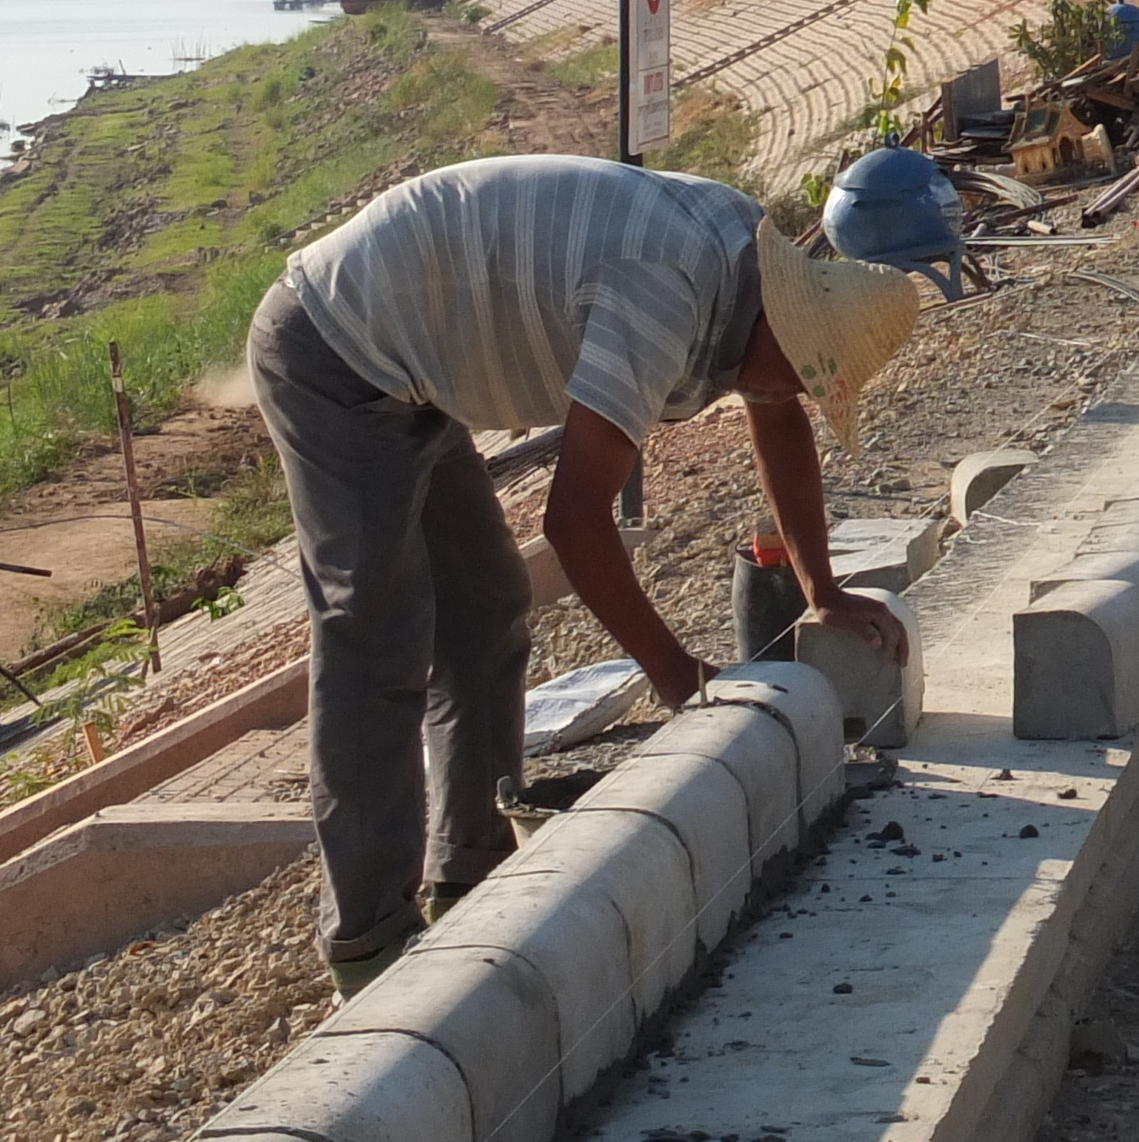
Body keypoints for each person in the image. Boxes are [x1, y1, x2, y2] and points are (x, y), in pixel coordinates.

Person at [246, 158, 924, 990]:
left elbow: (778, 417)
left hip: (416, 354)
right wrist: (679, 678)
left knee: (488, 606)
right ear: (781, 326)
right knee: (376, 632)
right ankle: (369, 941)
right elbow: (572, 523)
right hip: (335, 345)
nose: (797, 397)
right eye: (805, 378)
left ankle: (468, 871)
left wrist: (822, 593)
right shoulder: (664, 293)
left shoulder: (756, 283)